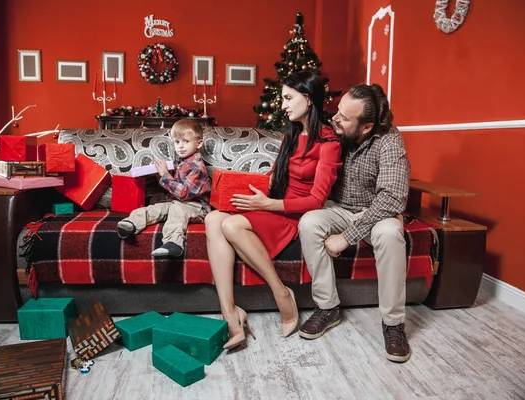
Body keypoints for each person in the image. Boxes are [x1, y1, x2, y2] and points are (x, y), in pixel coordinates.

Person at [205, 70, 342, 350]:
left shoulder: (330, 143)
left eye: (289, 98)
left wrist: (268, 204)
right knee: (212, 218)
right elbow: (279, 175)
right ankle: (231, 313)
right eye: (283, 98)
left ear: (308, 98)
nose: (283, 105)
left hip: (296, 214)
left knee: (230, 225)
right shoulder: (291, 134)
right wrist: (252, 187)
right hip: (275, 205)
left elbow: (317, 200)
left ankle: (282, 294)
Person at [297, 84, 412, 362]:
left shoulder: (389, 141)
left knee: (390, 232)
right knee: (310, 222)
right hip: (336, 208)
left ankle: (393, 324)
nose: (335, 118)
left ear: (366, 126)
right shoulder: (333, 132)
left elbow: (393, 198)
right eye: (338, 110)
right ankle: (328, 308)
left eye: (344, 117)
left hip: (374, 213)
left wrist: (347, 237)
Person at [117, 119, 210, 257]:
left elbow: (183, 193)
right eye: (177, 142)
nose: (180, 146)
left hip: (196, 207)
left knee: (177, 211)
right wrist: (159, 176)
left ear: (199, 143)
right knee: (157, 208)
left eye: (186, 141)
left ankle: (174, 243)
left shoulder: (196, 167)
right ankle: (131, 223)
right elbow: (176, 187)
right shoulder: (181, 162)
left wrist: (165, 175)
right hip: (177, 203)